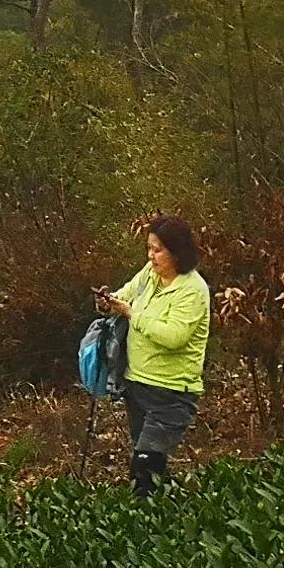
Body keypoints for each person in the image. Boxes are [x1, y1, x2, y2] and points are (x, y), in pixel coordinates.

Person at [98, 213, 209, 497]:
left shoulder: (193, 291)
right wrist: (108, 302)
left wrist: (132, 314)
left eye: (157, 250)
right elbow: (125, 294)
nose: (150, 256)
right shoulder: (150, 274)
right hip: (137, 385)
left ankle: (157, 512)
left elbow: (173, 337)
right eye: (149, 248)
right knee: (149, 464)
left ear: (177, 252)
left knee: (145, 467)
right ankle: (175, 505)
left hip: (171, 394)